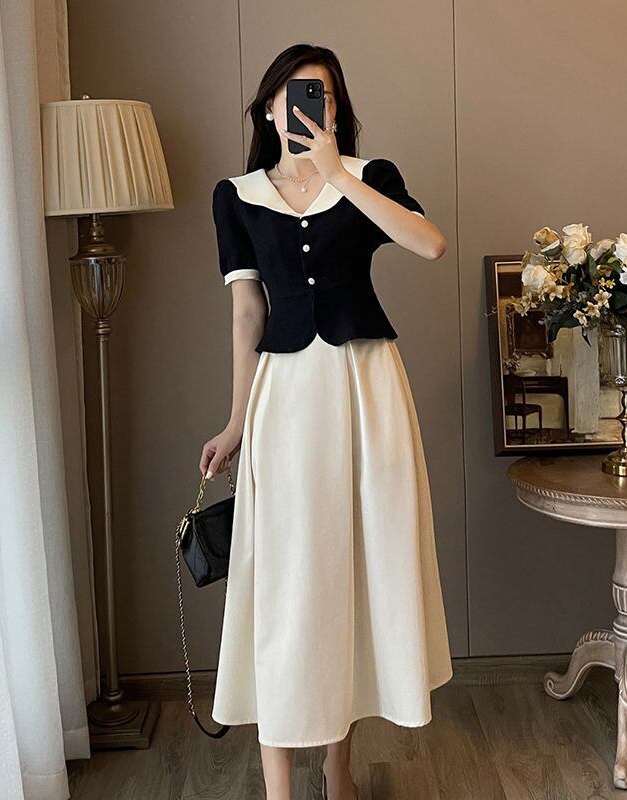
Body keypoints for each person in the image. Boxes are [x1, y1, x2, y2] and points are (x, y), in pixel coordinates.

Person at [199, 43, 453, 800]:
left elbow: (430, 243)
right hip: (285, 399)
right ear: (267, 107)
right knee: (284, 582)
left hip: (366, 392)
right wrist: (236, 421)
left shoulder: (370, 177)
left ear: (338, 110)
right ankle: (280, 786)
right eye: (294, 92)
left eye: (325, 95)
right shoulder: (237, 196)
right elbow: (247, 313)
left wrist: (340, 173)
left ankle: (339, 767)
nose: (309, 105)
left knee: (353, 569)